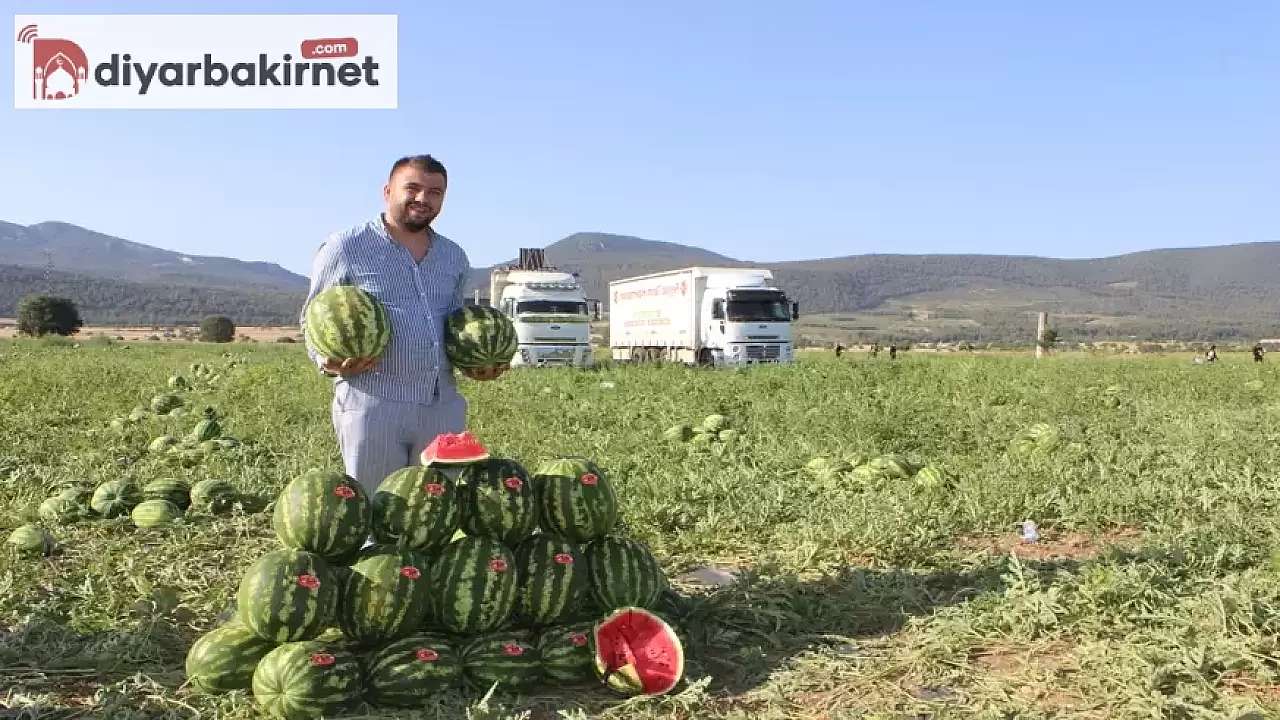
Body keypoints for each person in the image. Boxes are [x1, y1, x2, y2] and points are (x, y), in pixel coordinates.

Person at [301, 154, 507, 495]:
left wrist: (476, 362)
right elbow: (313, 317)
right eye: (412, 188)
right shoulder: (345, 247)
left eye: (434, 192)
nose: (423, 199)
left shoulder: (454, 256)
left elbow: (457, 324)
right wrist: (327, 361)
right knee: (375, 510)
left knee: (436, 512)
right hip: (374, 400)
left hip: (441, 402)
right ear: (387, 190)